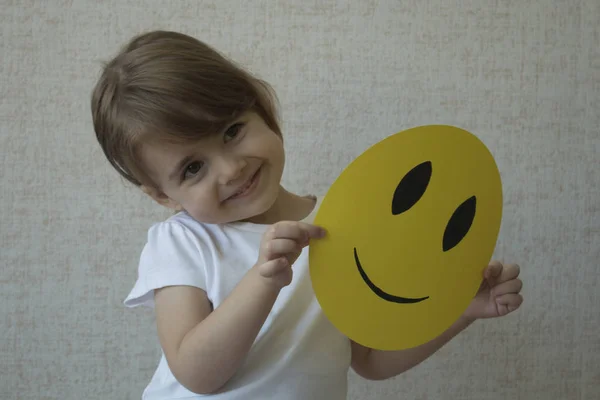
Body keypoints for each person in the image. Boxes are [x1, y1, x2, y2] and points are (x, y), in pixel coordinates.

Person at [90, 30, 524, 399]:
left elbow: (370, 360)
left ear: (262, 108)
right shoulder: (183, 243)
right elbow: (195, 372)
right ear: (163, 196)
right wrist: (261, 282)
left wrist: (460, 312)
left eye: (231, 131)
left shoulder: (342, 227)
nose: (230, 169)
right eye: (192, 168)